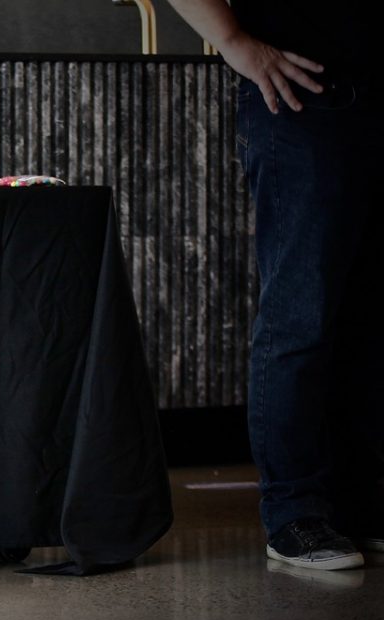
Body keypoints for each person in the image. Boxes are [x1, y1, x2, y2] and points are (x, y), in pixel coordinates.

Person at [164, 1, 382, 569]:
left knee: (365, 318)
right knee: (299, 315)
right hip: (302, 97)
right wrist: (234, 39)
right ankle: (295, 514)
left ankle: (360, 506)